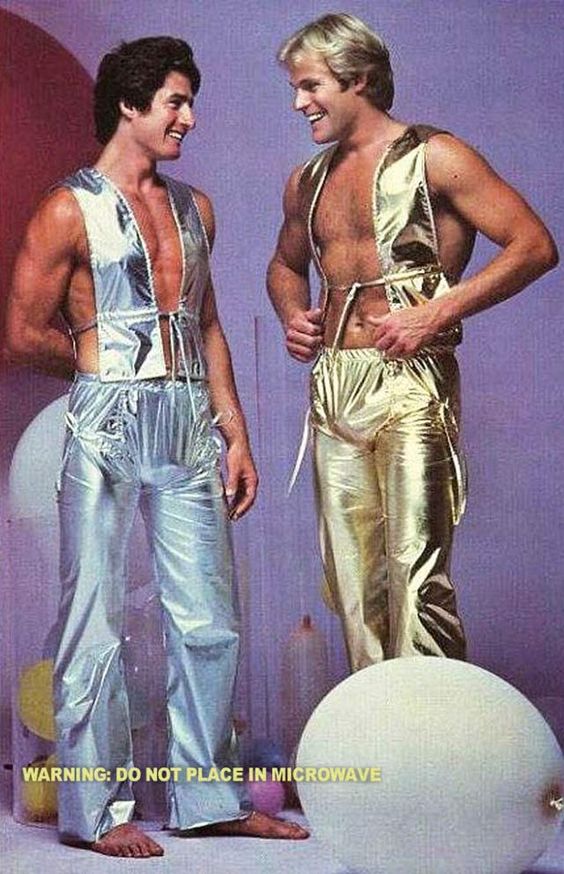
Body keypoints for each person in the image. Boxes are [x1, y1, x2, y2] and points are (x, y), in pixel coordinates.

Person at [5, 36, 307, 857]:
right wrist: (97, 366)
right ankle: (96, 813)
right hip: (107, 420)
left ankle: (208, 799)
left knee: (209, 617)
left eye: (189, 101)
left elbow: (206, 324)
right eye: (175, 101)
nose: (189, 118)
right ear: (129, 105)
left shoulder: (194, 208)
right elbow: (20, 331)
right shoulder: (66, 209)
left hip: (188, 422)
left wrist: (234, 429)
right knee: (93, 621)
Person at [267, 14, 557, 673]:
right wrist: (292, 313)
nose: (299, 103)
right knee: (352, 583)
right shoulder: (307, 179)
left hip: (411, 381)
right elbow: (284, 265)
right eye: (296, 88)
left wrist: (439, 311)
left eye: (310, 86)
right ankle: (378, 726)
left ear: (358, 79)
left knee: (415, 574)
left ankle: (432, 729)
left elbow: (535, 245)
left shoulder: (437, 156)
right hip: (336, 384)